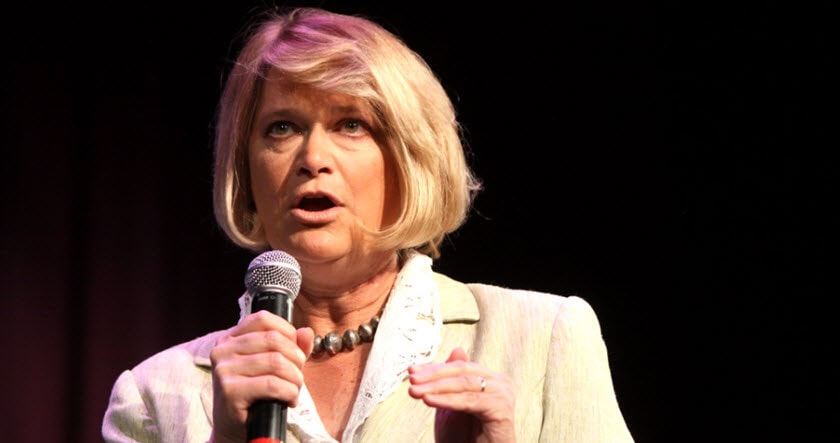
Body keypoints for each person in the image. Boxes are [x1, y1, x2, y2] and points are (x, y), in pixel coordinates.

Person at [101, 6, 634, 443]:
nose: (313, 157)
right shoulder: (154, 395)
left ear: (410, 158)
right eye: (282, 128)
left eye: (351, 124)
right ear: (246, 170)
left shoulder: (544, 336)